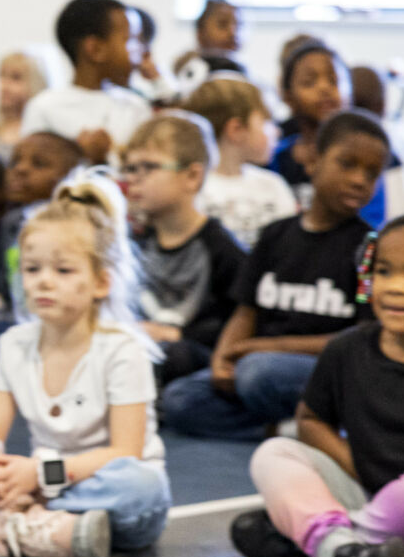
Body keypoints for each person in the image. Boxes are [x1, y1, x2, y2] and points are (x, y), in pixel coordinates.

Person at [0, 171, 170, 557]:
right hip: (42, 487)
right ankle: (47, 531)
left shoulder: (122, 350)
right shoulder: (15, 344)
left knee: (141, 485)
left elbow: (126, 451)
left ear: (101, 282)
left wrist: (38, 478)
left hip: (94, 487)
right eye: (32, 270)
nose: (43, 283)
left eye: (63, 271)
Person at [162, 110, 389, 438]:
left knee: (258, 373)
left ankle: (318, 421)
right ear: (313, 160)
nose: (359, 180)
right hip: (261, 361)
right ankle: (288, 428)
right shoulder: (274, 235)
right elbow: (246, 310)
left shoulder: (370, 248)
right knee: (180, 399)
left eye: (372, 173)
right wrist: (224, 357)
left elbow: (363, 335)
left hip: (322, 369)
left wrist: (270, 347)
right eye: (347, 164)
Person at [234, 213, 404, 557]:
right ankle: (350, 551)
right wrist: (353, 464)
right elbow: (311, 420)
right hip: (364, 489)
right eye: (384, 272)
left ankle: (327, 543)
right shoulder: (347, 348)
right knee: (275, 453)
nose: (395, 287)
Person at [123, 115, 246, 386]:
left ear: (192, 176)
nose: (133, 179)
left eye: (148, 167)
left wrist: (177, 335)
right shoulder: (134, 242)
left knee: (172, 354)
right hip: (139, 351)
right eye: (130, 168)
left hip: (193, 360)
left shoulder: (223, 250)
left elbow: (236, 324)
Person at [269, 38, 388, 225]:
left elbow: (371, 226)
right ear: (287, 95)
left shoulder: (367, 157)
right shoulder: (274, 158)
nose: (324, 89)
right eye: (309, 82)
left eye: (334, 81)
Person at [22, 0, 152, 166]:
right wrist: (81, 156)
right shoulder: (44, 108)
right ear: (95, 49)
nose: (142, 52)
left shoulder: (136, 108)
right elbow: (32, 171)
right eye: (130, 40)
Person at [185, 73, 297, 249]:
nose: (277, 132)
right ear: (236, 129)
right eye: (267, 121)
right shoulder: (193, 188)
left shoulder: (273, 185)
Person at [0, 130, 84, 319]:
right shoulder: (12, 222)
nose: (20, 169)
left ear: (71, 174)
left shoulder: (77, 224)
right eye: (14, 161)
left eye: (39, 164)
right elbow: (4, 284)